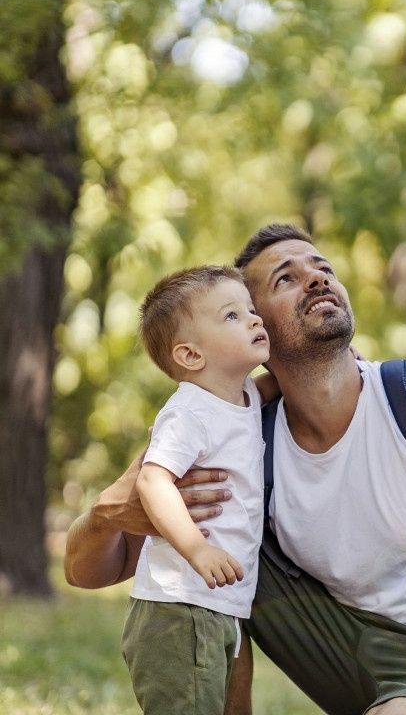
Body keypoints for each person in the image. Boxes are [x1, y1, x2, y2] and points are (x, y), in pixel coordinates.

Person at [64, 224, 406, 715]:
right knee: (227, 560)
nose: (316, 278)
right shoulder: (238, 433)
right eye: (284, 279)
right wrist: (104, 518)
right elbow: (90, 570)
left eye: (322, 268)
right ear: (256, 328)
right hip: (357, 653)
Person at [119, 265, 273, 714]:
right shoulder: (189, 412)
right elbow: (153, 478)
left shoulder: (242, 396)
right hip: (180, 605)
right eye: (231, 316)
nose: (254, 319)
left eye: (250, 310)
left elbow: (268, 388)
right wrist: (197, 550)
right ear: (189, 356)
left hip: (217, 603)